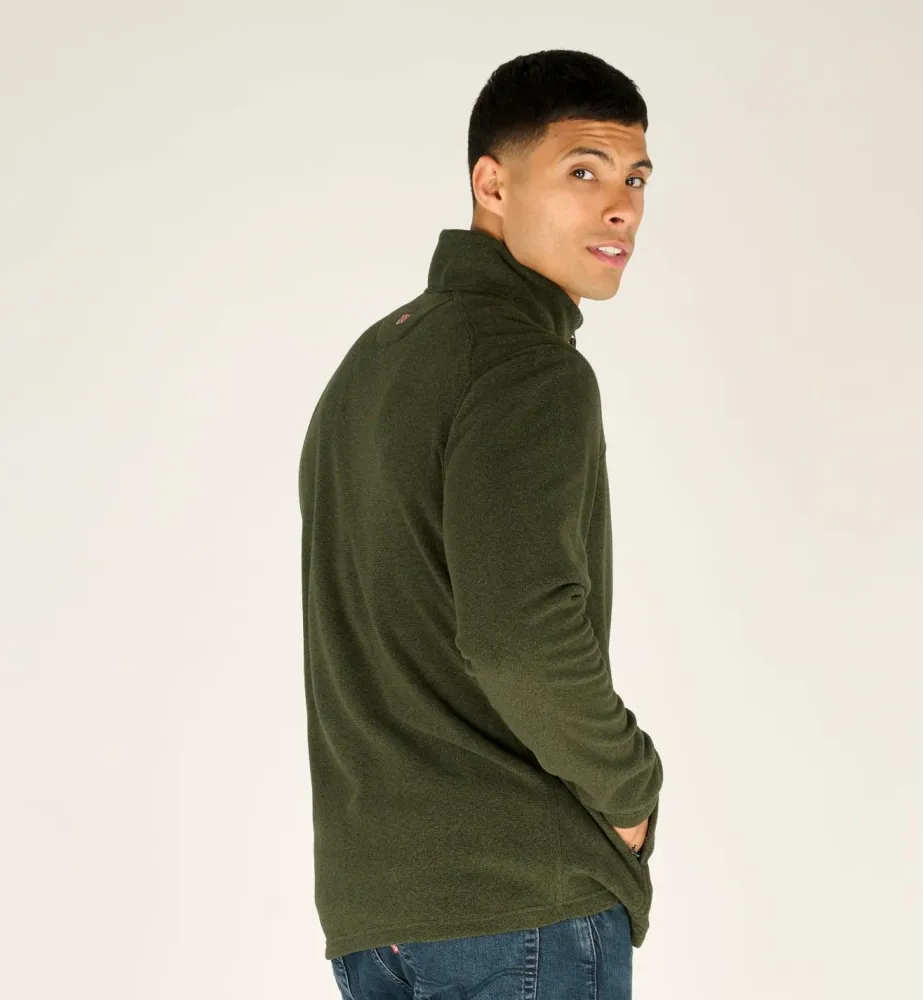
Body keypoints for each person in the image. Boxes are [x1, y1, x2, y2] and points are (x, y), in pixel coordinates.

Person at [298, 47, 664, 1000]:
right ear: (491, 185)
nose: (620, 208)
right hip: (519, 901)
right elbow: (520, 636)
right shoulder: (529, 367)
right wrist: (630, 791)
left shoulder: (370, 365)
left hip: (374, 913)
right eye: (583, 171)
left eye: (634, 179)